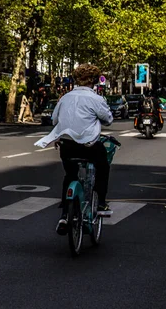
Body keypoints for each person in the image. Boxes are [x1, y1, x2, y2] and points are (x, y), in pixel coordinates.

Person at [34, 64, 113, 235]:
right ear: (94, 81)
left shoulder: (65, 98)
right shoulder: (96, 99)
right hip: (89, 146)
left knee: (70, 174)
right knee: (103, 166)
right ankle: (101, 204)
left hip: (67, 146)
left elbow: (54, 120)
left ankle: (64, 215)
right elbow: (108, 120)